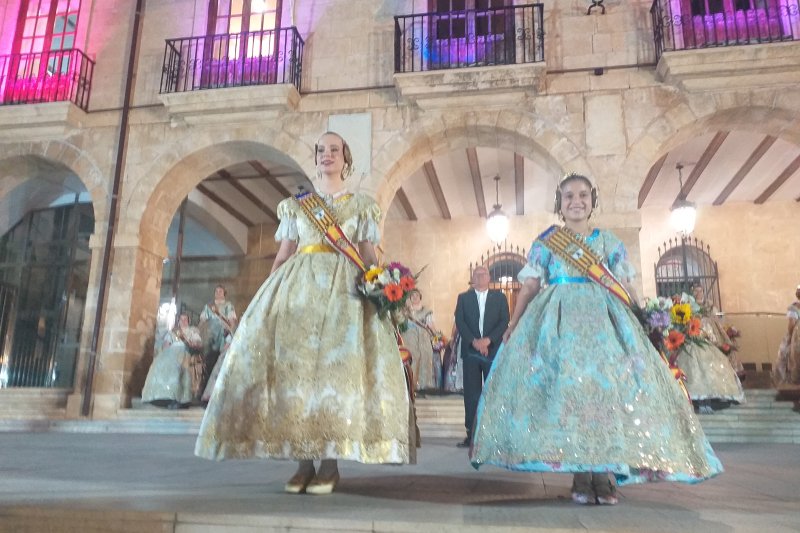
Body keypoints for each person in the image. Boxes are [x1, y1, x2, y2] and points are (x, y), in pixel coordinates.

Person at [470, 173, 722, 506]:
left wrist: (644, 316)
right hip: (557, 326)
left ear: (593, 200)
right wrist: (514, 324)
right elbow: (529, 287)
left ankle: (603, 474)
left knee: (605, 396)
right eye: (569, 195)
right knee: (569, 395)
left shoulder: (610, 242)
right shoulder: (546, 242)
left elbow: (626, 285)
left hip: (605, 324)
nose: (577, 201)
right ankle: (579, 473)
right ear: (559, 203)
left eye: (584, 195)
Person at [195, 131, 413, 496]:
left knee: (333, 374)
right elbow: (284, 254)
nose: (327, 155)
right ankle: (302, 463)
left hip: (346, 291)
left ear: (346, 158)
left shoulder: (361, 204)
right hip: (299, 289)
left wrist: (383, 286)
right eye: (321, 150)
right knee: (296, 375)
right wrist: (266, 297)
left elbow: (368, 253)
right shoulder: (296, 205)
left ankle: (329, 463)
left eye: (334, 150)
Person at [454, 265, 509, 448]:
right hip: (471, 351)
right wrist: (475, 342)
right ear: (472, 278)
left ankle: (493, 433)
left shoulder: (500, 298)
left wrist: (488, 341)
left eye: (483, 274)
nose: (480, 276)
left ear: (489, 277)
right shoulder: (463, 298)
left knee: (493, 392)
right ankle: (472, 434)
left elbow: (504, 321)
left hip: (492, 351)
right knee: (471, 394)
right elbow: (460, 322)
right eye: (477, 274)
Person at [675, 285, 745, 413]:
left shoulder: (709, 308)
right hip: (693, 344)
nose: (698, 293)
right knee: (694, 372)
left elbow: (714, 326)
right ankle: (698, 401)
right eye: (695, 291)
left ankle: (710, 400)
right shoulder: (687, 309)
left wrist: (719, 340)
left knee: (713, 369)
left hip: (706, 342)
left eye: (700, 290)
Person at [141, 312, 203, 409]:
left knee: (176, 367)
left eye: (185, 319)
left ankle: (177, 395)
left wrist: (191, 344)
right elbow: (166, 344)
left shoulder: (192, 332)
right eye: (181, 319)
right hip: (170, 351)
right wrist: (166, 348)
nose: (183, 321)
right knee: (159, 363)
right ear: (178, 321)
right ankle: (160, 394)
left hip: (184, 350)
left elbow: (197, 345)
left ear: (189, 321)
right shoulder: (173, 332)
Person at [198, 285, 238, 399]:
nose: (218, 293)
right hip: (208, 334)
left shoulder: (228, 306)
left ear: (224, 293)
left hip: (222, 334)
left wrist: (231, 331)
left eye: (220, 291)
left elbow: (232, 322)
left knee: (217, 360)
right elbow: (202, 321)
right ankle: (203, 390)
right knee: (206, 360)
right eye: (216, 291)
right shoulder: (209, 306)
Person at [405, 289, 441, 392]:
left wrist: (437, 336)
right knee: (412, 359)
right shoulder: (405, 311)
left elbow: (431, 325)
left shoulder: (426, 311)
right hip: (409, 338)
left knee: (425, 358)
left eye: (417, 295)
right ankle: (411, 384)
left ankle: (424, 384)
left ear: (420, 297)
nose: (415, 297)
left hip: (423, 338)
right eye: (412, 295)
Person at [773, 285, 800, 385]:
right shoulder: (794, 308)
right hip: (797, 337)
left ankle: (792, 382)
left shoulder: (794, 308)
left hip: (796, 337)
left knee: (787, 355)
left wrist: (790, 337)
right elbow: (792, 325)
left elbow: (791, 326)